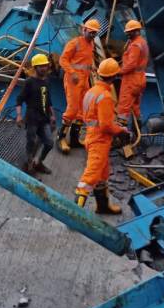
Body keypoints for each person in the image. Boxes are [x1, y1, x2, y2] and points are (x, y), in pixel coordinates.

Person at [75, 58, 130, 214]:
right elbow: (106, 125)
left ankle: (103, 206)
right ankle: (74, 213)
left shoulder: (91, 92)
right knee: (90, 177)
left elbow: (90, 119)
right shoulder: (105, 96)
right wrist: (120, 130)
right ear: (114, 77)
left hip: (92, 137)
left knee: (102, 174)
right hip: (99, 141)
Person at [57, 19, 101, 154]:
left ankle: (74, 140)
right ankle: (61, 139)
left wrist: (92, 68)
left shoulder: (91, 44)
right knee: (72, 109)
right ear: (84, 30)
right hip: (73, 80)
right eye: (90, 32)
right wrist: (72, 73)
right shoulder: (74, 43)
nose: (92, 35)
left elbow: (86, 61)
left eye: (94, 33)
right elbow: (62, 60)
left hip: (84, 80)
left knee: (83, 110)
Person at [16, 53, 56, 174]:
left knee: (49, 143)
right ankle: (29, 165)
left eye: (45, 65)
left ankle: (39, 163)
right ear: (35, 67)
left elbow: (48, 101)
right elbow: (19, 99)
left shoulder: (47, 82)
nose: (44, 68)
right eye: (41, 66)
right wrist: (19, 115)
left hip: (44, 119)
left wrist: (52, 115)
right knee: (31, 143)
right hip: (32, 119)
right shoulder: (29, 82)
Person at [117, 20, 149, 130]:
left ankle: (122, 137)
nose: (127, 34)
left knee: (123, 108)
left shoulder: (135, 45)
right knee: (135, 107)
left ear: (136, 31)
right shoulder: (142, 42)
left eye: (129, 32)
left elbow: (131, 64)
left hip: (131, 79)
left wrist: (118, 71)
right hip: (140, 79)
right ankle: (137, 133)